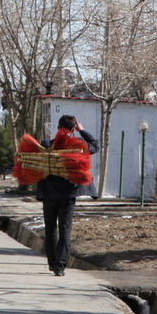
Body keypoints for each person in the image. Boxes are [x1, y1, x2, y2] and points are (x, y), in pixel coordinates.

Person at [37, 114, 99, 276]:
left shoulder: (47, 145)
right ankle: (60, 266)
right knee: (65, 230)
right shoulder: (79, 145)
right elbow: (95, 145)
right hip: (68, 194)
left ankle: (52, 263)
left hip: (49, 193)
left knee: (50, 229)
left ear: (58, 128)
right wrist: (82, 130)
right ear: (73, 130)